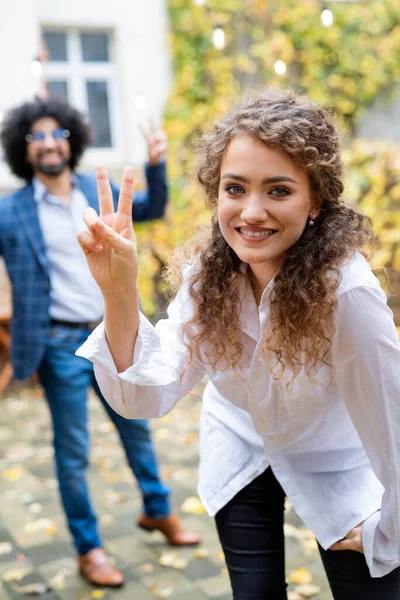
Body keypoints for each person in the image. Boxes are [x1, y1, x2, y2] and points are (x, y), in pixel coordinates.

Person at [77, 88, 400, 599]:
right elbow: (145, 395)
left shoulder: (349, 295)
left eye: (278, 190)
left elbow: (393, 424)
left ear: (315, 199)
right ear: (216, 194)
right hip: (241, 441)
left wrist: (391, 532)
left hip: (340, 459)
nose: (251, 212)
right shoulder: (208, 276)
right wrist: (118, 290)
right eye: (235, 188)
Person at [0, 97, 200, 589]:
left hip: (110, 330)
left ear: (71, 139)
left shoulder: (96, 190)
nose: (48, 143)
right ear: (23, 150)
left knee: (137, 426)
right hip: (56, 342)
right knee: (73, 450)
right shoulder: (9, 211)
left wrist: (156, 162)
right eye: (36, 137)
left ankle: (157, 511)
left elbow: (151, 206)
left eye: (56, 134)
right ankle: (89, 547)